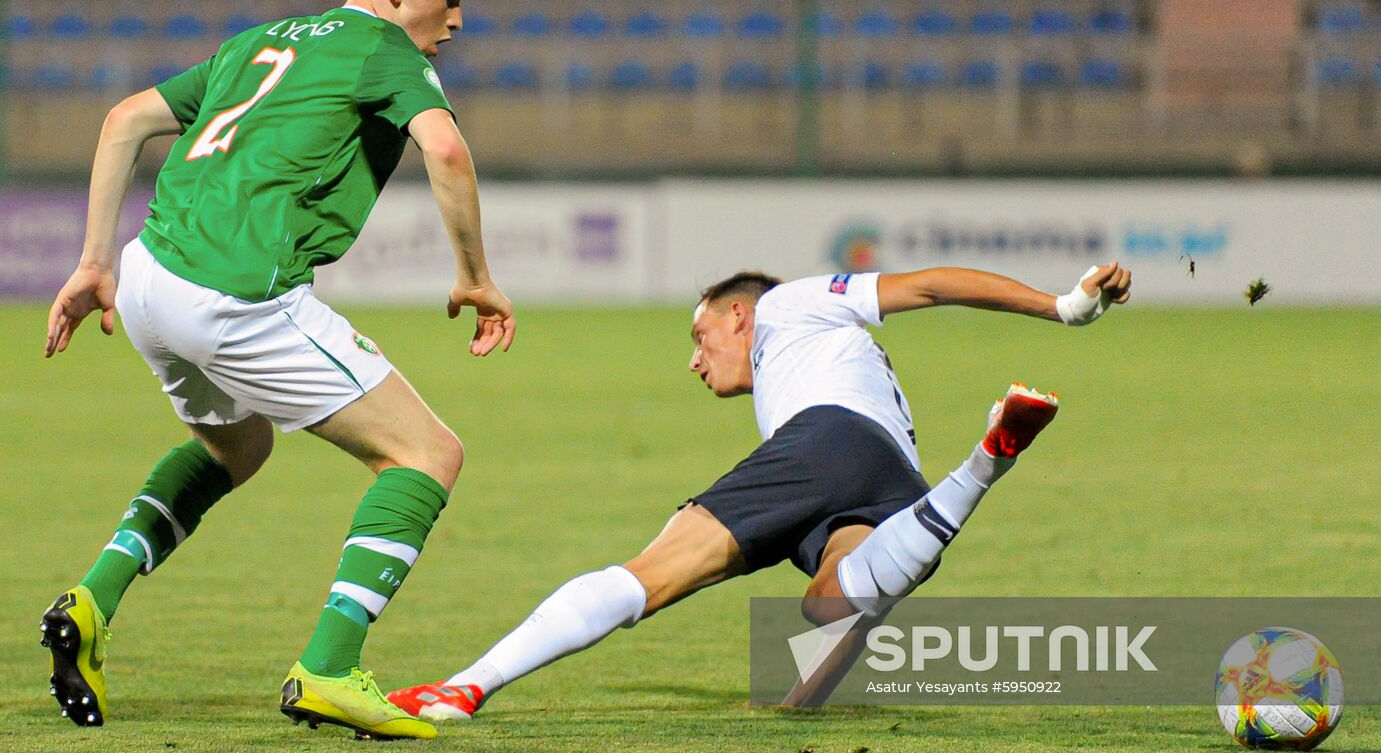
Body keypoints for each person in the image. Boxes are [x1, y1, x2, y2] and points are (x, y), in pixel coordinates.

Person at [40, 0, 513, 742]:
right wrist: (476, 275)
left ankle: (93, 599)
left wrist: (94, 262)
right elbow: (446, 147)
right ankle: (329, 667)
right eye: (450, 0)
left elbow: (123, 120)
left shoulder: (260, 41)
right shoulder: (386, 50)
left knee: (239, 443)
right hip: (232, 297)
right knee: (427, 453)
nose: (454, 22)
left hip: (149, 278)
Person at [387, 261, 1131, 718]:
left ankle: (466, 686)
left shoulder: (786, 307)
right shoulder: (817, 369)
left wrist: (1062, 306)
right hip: (895, 481)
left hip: (826, 440)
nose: (694, 359)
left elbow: (931, 283)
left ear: (736, 312)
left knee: (647, 576)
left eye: (699, 333)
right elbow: (856, 622)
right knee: (833, 598)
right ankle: (982, 465)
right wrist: (798, 704)